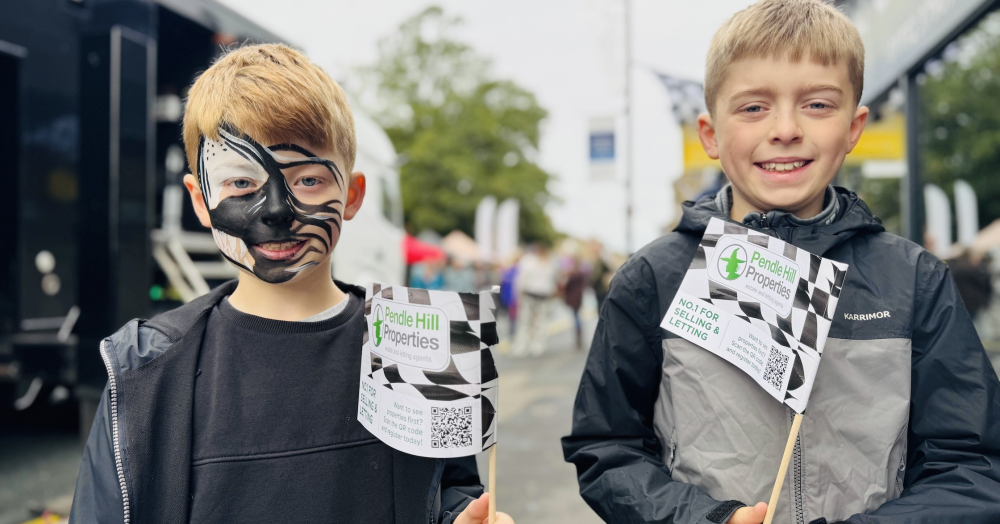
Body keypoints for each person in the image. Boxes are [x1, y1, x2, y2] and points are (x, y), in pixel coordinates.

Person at [562, 2, 1000, 523]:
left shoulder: (914, 279)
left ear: (854, 126)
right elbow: (609, 447)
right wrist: (705, 519)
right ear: (710, 134)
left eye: (817, 104)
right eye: (753, 108)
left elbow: (970, 466)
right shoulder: (653, 278)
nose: (786, 129)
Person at [70, 44, 512, 524]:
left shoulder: (420, 345)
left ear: (352, 194)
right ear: (201, 202)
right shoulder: (149, 371)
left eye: (308, 181)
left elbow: (448, 491)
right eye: (241, 184)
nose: (278, 212)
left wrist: (460, 517)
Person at [512, 243, 559, 357]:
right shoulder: (549, 262)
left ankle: (523, 346)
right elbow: (553, 280)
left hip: (529, 294)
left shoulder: (527, 261)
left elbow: (521, 279)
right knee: (540, 321)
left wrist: (517, 293)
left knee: (525, 322)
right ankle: (537, 345)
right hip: (543, 295)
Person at [561, 256, 588, 350]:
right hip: (579, 297)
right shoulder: (580, 274)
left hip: (573, 298)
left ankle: (578, 337)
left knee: (576, 317)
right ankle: (579, 337)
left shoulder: (571, 275)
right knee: (577, 316)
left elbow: (565, 285)